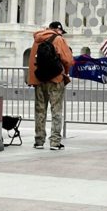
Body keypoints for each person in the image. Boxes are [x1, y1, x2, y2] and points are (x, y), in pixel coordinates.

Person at [26, 21, 73, 150]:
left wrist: (32, 79)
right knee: (56, 110)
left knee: (40, 110)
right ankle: (55, 142)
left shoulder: (37, 39)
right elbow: (67, 59)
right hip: (55, 80)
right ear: (58, 30)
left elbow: (32, 61)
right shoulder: (58, 39)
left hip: (39, 79)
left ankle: (39, 141)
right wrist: (65, 72)